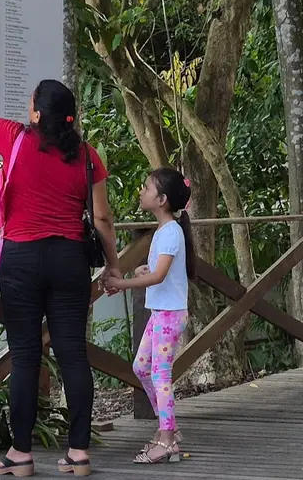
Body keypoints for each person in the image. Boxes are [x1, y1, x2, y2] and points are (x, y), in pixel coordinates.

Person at [0, 66, 121, 477]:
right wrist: (113, 265)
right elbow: (102, 219)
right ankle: (79, 453)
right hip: (69, 260)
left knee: (25, 355)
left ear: (36, 114)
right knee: (73, 355)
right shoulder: (88, 157)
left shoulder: (14, 139)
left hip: (21, 260)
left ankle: (20, 454)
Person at [104, 167, 194, 465]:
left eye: (146, 187)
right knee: (142, 368)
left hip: (169, 315)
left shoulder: (171, 232)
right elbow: (158, 271)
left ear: (162, 199)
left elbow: (158, 277)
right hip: (161, 313)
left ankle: (168, 440)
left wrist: (121, 283)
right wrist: (141, 270)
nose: (141, 191)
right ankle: (167, 426)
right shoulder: (164, 230)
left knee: (160, 374)